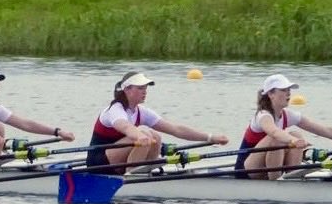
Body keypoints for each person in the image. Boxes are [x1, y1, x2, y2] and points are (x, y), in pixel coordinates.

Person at [235, 74, 332, 180]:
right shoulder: (263, 116)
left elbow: (326, 131)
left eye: (289, 89)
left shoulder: (288, 115)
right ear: (271, 94)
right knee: (279, 139)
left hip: (264, 167)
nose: (288, 93)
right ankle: (276, 185)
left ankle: (291, 178)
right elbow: (274, 131)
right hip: (245, 170)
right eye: (283, 89)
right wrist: (292, 141)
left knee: (297, 134)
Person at [85, 71, 228, 173]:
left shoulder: (141, 112)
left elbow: (176, 129)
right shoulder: (115, 109)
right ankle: (131, 176)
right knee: (145, 134)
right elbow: (125, 126)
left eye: (145, 88)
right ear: (127, 90)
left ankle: (143, 172)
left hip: (116, 159)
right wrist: (140, 136)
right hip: (98, 162)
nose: (145, 91)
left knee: (155, 136)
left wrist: (210, 137)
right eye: (140, 88)